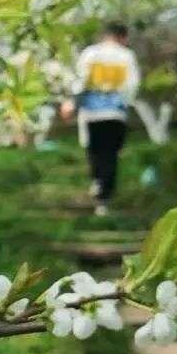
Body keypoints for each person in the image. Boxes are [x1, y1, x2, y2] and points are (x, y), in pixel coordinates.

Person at [60, 22, 140, 216]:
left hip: (92, 113)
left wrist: (73, 103)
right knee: (111, 154)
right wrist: (123, 102)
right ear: (123, 37)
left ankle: (98, 183)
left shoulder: (90, 53)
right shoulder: (127, 56)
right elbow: (133, 85)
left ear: (105, 35)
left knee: (94, 151)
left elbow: (80, 81)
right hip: (116, 114)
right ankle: (104, 198)